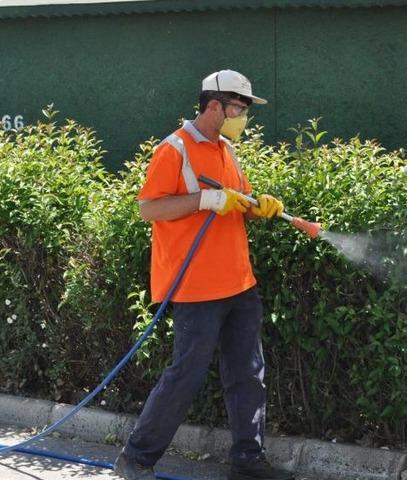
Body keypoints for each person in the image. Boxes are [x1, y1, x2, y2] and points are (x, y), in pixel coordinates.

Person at [114, 70, 293, 480]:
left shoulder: (227, 150)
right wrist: (205, 199)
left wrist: (258, 204)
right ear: (215, 106)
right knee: (185, 375)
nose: (243, 117)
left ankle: (247, 462)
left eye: (245, 111)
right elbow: (149, 209)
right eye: (239, 109)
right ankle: (136, 459)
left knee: (248, 373)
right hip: (196, 287)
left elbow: (238, 199)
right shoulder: (173, 150)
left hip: (239, 283)